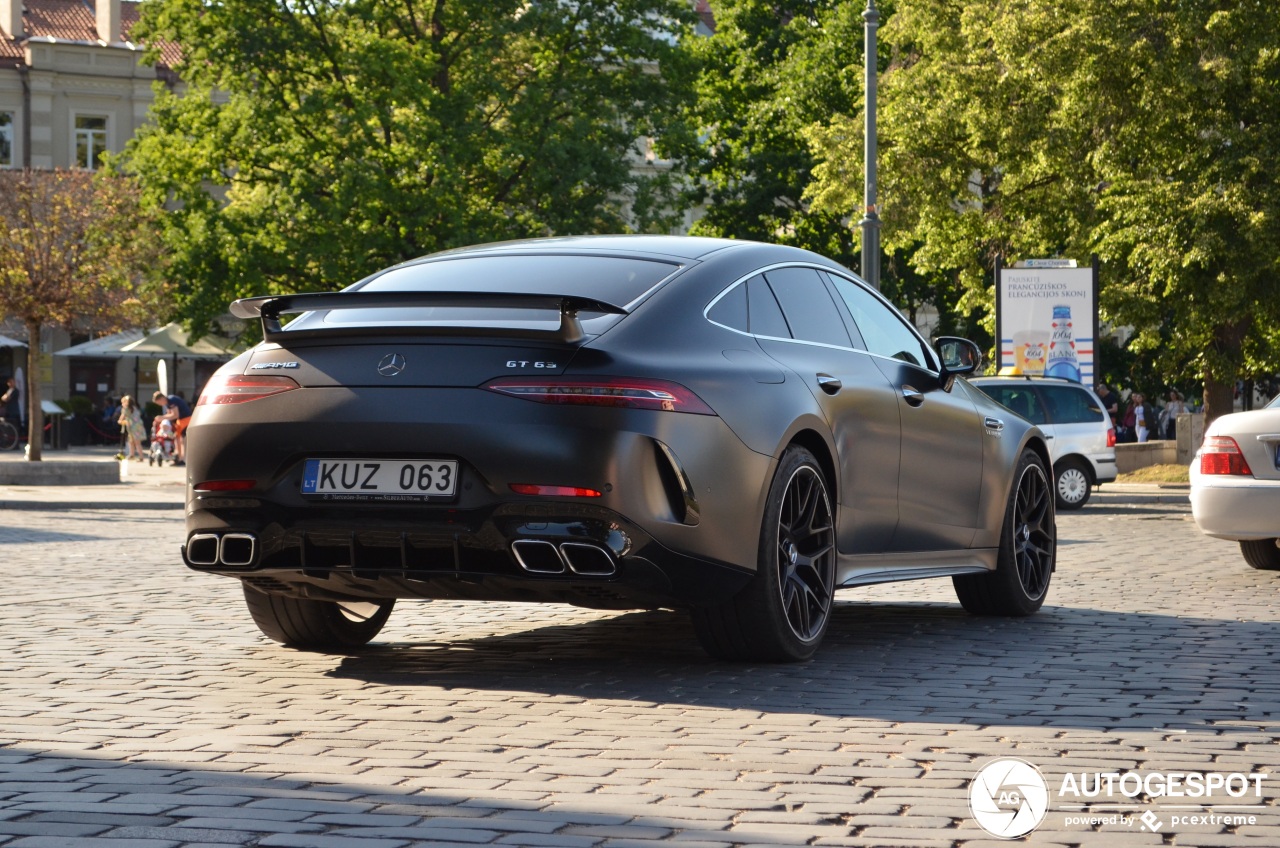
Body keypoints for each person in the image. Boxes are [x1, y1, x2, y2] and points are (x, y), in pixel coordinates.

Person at [152, 390, 192, 467]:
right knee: (177, 439)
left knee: (181, 440)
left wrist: (161, 418)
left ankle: (182, 458)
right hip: (181, 421)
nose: (160, 405)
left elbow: (175, 415)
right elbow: (170, 414)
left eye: (159, 403)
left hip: (185, 420)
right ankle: (179, 457)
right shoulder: (168, 402)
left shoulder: (171, 401)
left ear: (161, 399)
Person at [117, 395, 146, 461]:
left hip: (132, 428)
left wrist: (120, 421)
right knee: (132, 442)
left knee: (135, 442)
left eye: (122, 402)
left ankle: (141, 457)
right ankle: (132, 454)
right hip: (138, 426)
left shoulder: (125, 409)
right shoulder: (135, 408)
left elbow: (121, 418)